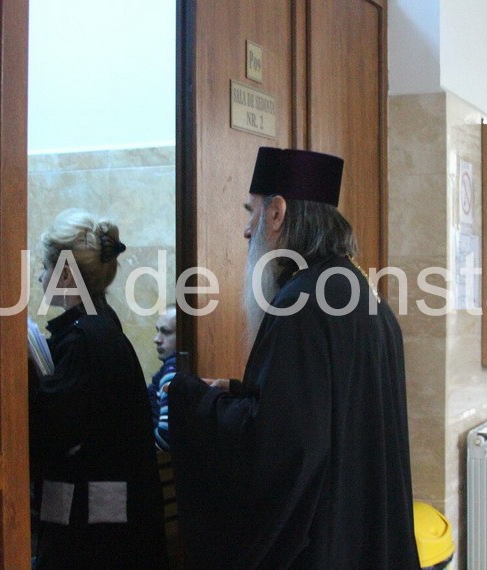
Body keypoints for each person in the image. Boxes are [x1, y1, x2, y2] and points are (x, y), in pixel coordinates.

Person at [168, 147, 419, 568]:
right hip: (365, 534)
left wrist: (194, 399)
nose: (248, 230)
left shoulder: (301, 302)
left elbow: (283, 451)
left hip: (324, 544)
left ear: (278, 212)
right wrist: (241, 392)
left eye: (252, 212)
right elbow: (327, 410)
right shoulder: (359, 289)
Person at [28, 209, 168, 568]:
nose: (40, 275)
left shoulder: (84, 339)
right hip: (117, 522)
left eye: (45, 266)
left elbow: (55, 431)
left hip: (94, 532)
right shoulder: (101, 326)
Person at [148, 303, 178, 450]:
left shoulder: (172, 370)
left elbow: (166, 435)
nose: (157, 339)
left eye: (166, 332)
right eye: (157, 331)